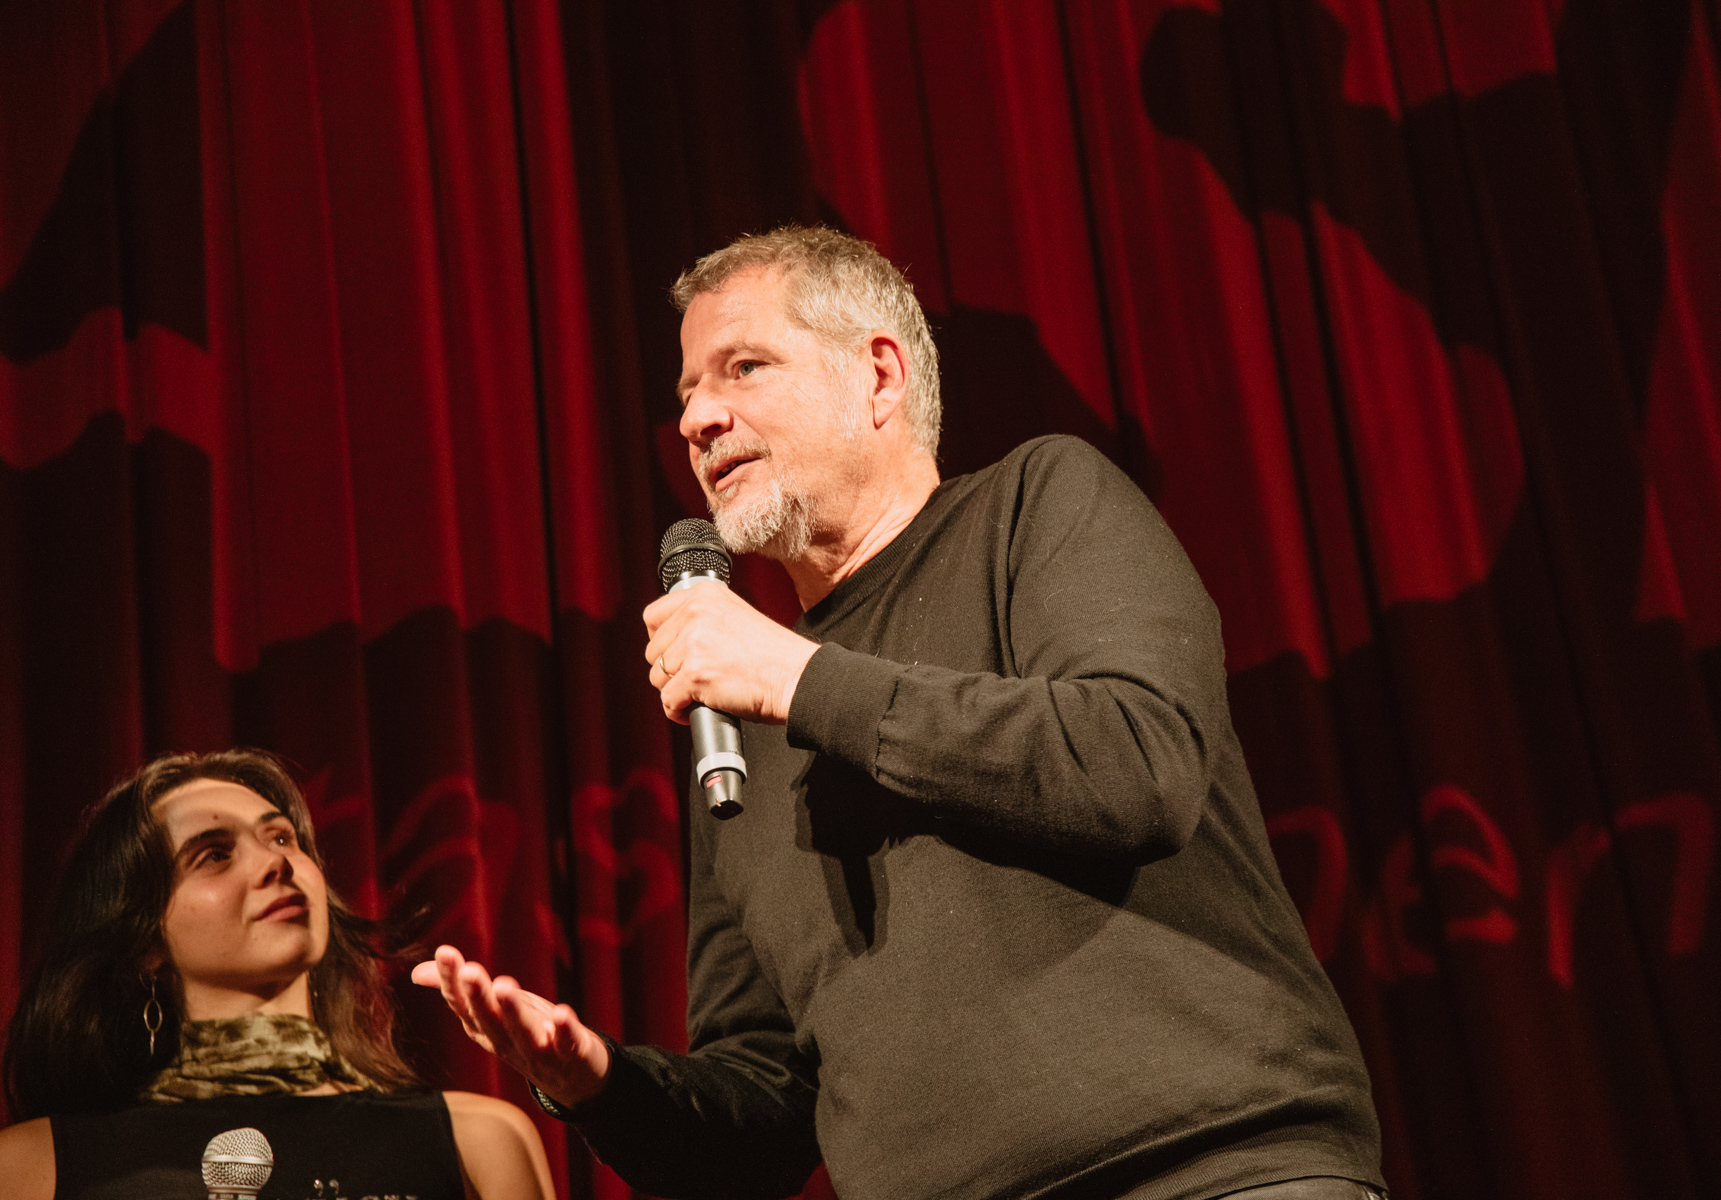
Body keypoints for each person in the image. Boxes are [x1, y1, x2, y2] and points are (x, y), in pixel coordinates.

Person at [414, 225, 1386, 1200]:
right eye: (687, 393)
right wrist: (600, 1087)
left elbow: (1136, 766)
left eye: (743, 368)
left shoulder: (1037, 506)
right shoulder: (740, 728)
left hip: (1208, 1174)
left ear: (879, 376)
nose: (699, 418)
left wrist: (800, 681)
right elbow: (765, 1114)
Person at [0, 749, 555, 1200]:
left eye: (282, 837)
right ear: (145, 942)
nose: (276, 863)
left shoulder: (478, 1141)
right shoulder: (33, 1166)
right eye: (214, 854)